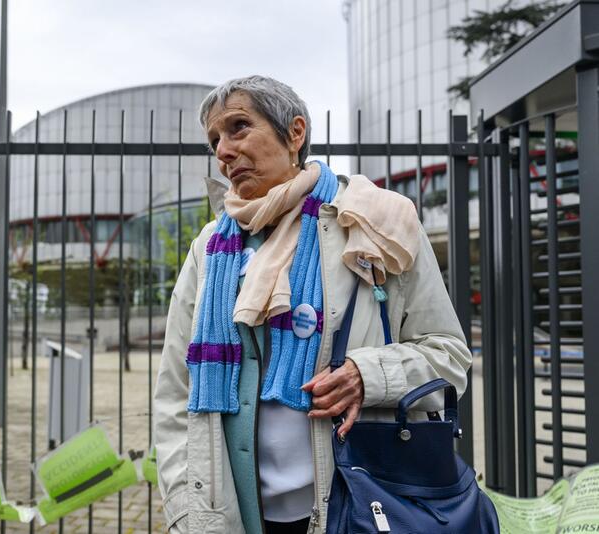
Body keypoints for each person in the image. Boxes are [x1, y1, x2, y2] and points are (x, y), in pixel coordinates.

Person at [152, 75, 472, 534]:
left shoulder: (371, 221)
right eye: (215, 140)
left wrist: (370, 375)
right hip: (239, 516)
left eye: (239, 127)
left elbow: (450, 356)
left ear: (295, 133)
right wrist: (188, 509)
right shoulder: (210, 248)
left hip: (361, 503)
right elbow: (175, 394)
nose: (223, 150)